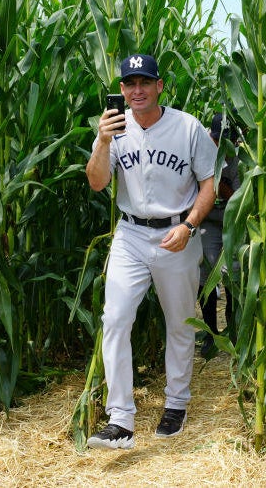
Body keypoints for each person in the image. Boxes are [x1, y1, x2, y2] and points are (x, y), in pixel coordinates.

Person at [84, 53, 218, 450]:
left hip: (176, 233)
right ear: (122, 90)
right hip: (129, 233)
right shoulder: (114, 129)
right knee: (115, 318)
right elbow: (96, 182)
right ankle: (120, 419)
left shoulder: (187, 128)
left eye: (145, 82)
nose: (137, 90)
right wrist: (104, 140)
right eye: (130, 84)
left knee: (179, 322)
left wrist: (190, 225)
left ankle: (176, 403)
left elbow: (208, 184)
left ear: (160, 86)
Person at [198, 111, 242, 356]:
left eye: (228, 142)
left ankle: (234, 330)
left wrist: (216, 179)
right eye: (217, 141)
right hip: (205, 220)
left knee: (233, 276)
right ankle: (210, 334)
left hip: (231, 219)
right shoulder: (198, 146)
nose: (221, 146)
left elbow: (238, 199)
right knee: (206, 276)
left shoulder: (238, 159)